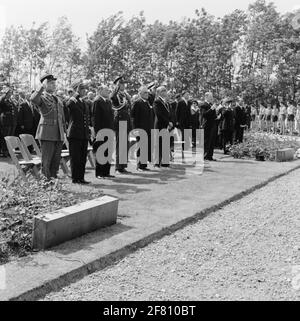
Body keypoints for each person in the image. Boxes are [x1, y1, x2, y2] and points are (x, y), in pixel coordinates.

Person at [31, 74, 66, 179]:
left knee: (55, 161)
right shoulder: (41, 97)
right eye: (51, 83)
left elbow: (62, 118)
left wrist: (64, 132)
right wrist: (41, 87)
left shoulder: (57, 99)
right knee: (46, 162)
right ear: (45, 85)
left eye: (54, 83)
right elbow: (33, 99)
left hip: (58, 134)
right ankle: (46, 184)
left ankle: (53, 182)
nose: (54, 85)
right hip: (46, 133)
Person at [66, 80, 90, 184]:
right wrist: (74, 94)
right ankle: (75, 178)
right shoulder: (72, 100)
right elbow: (68, 105)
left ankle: (81, 177)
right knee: (75, 157)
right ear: (77, 90)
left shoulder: (83, 101)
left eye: (84, 89)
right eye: (82, 89)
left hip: (83, 134)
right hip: (75, 133)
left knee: (82, 157)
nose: (84, 91)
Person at [92, 85, 115, 179]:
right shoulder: (97, 101)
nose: (108, 91)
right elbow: (95, 118)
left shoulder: (108, 101)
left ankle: (106, 172)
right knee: (101, 152)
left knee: (108, 152)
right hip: (101, 131)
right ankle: (99, 173)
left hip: (109, 130)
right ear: (100, 90)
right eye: (106, 90)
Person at [110, 76, 132, 174]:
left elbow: (129, 107)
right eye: (121, 84)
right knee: (120, 145)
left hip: (126, 121)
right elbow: (114, 101)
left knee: (125, 144)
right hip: (120, 121)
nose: (124, 85)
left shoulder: (125, 95)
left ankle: (123, 166)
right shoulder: (116, 95)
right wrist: (115, 89)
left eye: (124, 84)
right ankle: (118, 167)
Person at [131, 86, 153, 171]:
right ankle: (139, 165)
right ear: (140, 94)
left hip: (148, 129)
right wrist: (135, 129)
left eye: (147, 92)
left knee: (146, 147)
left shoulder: (147, 102)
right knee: (140, 147)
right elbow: (133, 117)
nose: (147, 94)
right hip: (140, 129)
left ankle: (143, 165)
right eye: (145, 92)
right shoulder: (137, 103)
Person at [153, 86, 173, 167]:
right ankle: (157, 163)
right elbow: (159, 114)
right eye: (163, 90)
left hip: (165, 126)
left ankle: (165, 163)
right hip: (159, 126)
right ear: (158, 93)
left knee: (165, 144)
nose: (165, 92)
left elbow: (169, 114)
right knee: (158, 145)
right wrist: (168, 122)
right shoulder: (157, 101)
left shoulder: (166, 102)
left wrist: (170, 122)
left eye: (165, 90)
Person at [0, 87, 18, 157]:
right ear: (6, 93)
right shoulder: (2, 100)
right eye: (9, 92)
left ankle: (10, 151)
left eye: (11, 93)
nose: (11, 94)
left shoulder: (10, 101)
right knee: (5, 137)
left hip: (12, 122)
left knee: (10, 137)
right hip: (5, 122)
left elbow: (14, 109)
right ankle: (5, 151)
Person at [199, 92, 217, 161]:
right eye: (210, 97)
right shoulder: (203, 105)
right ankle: (205, 156)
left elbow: (213, 115)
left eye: (212, 97)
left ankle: (210, 156)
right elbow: (204, 114)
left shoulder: (211, 105)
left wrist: (217, 116)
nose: (212, 98)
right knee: (207, 141)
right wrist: (211, 109)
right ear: (206, 97)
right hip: (207, 125)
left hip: (212, 125)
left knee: (211, 141)